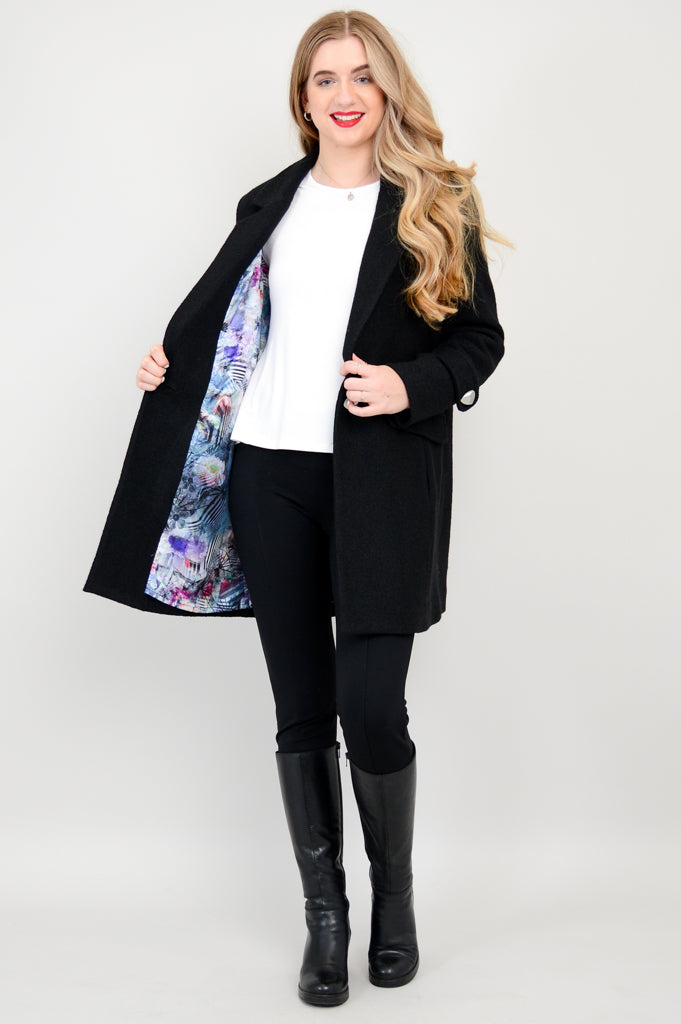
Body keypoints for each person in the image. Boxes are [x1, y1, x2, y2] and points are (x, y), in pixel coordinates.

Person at [84, 9, 506, 1008]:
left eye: (361, 76)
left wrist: (408, 385)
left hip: (381, 483)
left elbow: (481, 340)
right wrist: (168, 367)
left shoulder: (434, 202)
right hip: (266, 473)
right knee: (302, 709)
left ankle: (395, 903)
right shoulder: (269, 203)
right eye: (325, 79)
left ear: (387, 89)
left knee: (372, 705)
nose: (344, 94)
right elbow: (230, 327)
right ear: (303, 99)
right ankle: (328, 921)